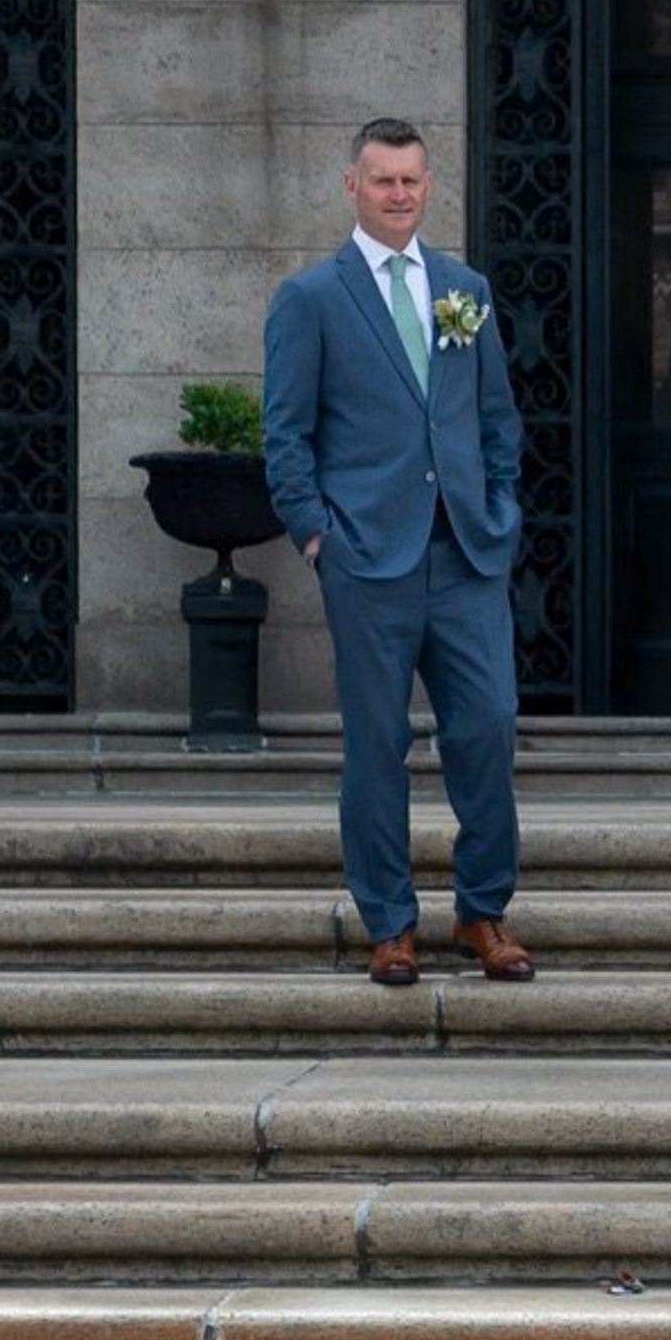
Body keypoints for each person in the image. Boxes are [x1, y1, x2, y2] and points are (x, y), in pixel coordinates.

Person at [262, 118, 535, 989]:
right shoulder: (310, 299)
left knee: (487, 726)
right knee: (376, 744)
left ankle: (483, 913)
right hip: (367, 560)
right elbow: (285, 438)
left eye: (413, 180)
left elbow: (496, 419)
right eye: (383, 180)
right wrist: (318, 537)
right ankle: (389, 924)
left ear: (428, 184)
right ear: (352, 186)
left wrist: (499, 511)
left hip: (465, 554)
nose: (400, 194)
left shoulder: (465, 290)